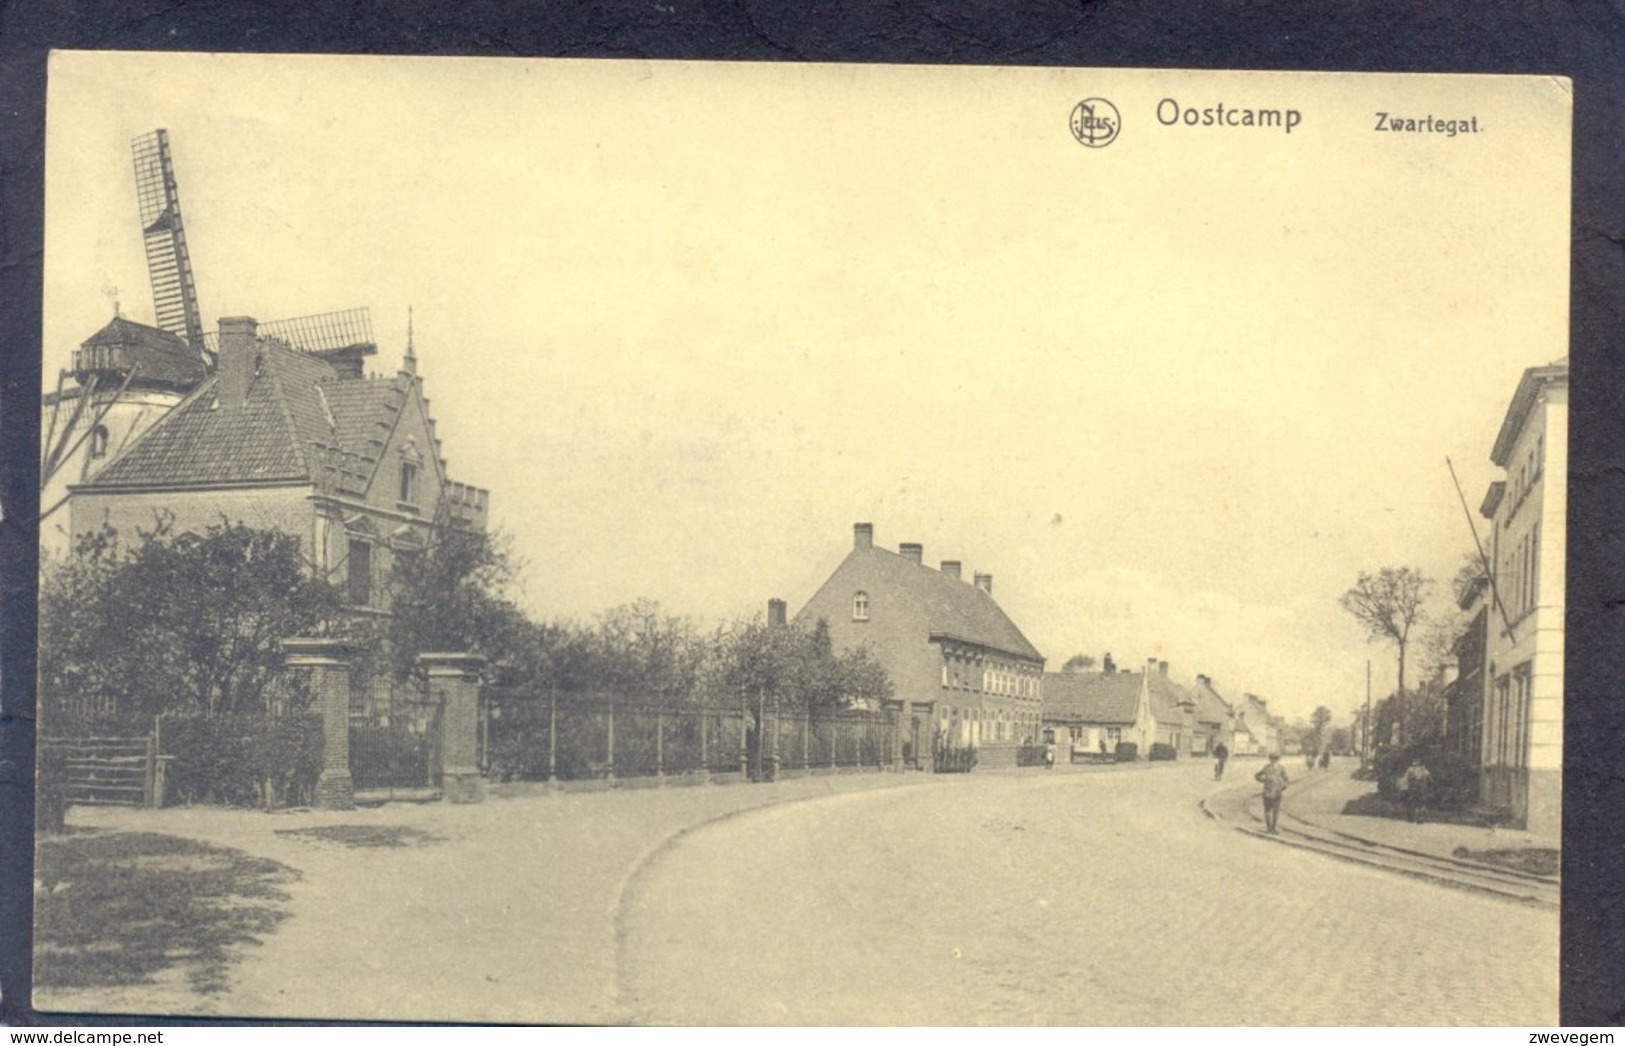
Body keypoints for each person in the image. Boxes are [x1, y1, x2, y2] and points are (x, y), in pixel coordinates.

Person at [1255, 752, 1290, 834]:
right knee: (1267, 811)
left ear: (1277, 759)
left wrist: (1284, 786)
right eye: (1272, 759)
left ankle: (1273, 828)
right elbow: (1257, 775)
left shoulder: (1281, 768)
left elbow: (1286, 779)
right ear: (1270, 759)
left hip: (1277, 792)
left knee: (1276, 812)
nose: (1273, 760)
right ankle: (1269, 828)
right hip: (1267, 792)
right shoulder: (1266, 768)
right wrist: (1263, 781)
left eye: (1275, 759)